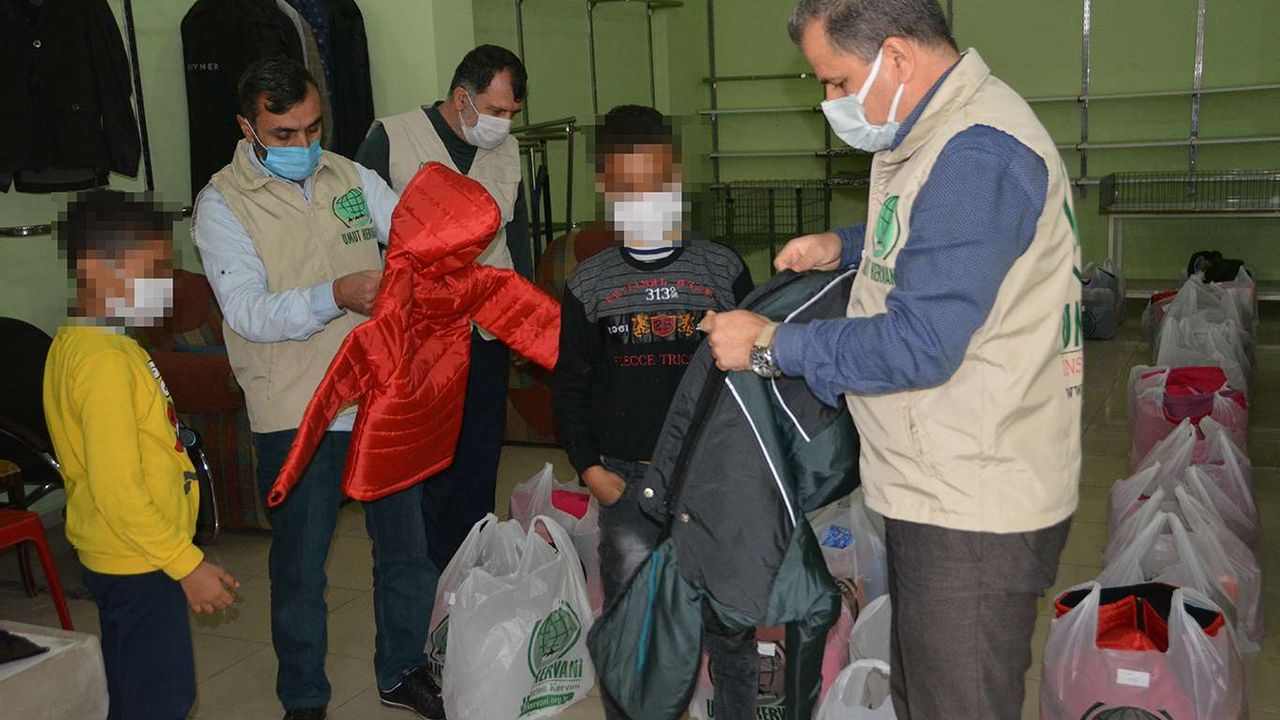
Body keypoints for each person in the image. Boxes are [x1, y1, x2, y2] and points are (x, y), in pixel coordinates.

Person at [701, 1, 1084, 718]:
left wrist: (770, 344)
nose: (830, 102)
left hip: (971, 503)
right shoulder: (946, 132)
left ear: (898, 58)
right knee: (927, 695)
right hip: (943, 482)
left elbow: (919, 343)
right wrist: (845, 245)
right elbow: (939, 233)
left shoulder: (975, 154)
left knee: (954, 704)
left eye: (838, 82)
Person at [192, 58, 440, 720]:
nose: (303, 145)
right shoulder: (222, 205)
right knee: (301, 567)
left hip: (379, 395)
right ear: (247, 127)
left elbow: (412, 236)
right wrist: (335, 295)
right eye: (284, 134)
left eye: (313, 128)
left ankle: (404, 671)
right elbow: (247, 311)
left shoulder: (349, 176)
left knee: (406, 551)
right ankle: (304, 698)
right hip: (297, 407)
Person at [552, 105, 757, 720]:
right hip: (627, 482)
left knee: (730, 628)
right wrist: (591, 470)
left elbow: (755, 375)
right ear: (604, 188)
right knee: (636, 633)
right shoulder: (588, 284)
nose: (645, 198)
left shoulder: (722, 270)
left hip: (713, 481)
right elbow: (571, 386)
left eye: (657, 182)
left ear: (677, 178)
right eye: (628, 186)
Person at [44, 191, 239, 720]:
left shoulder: (87, 342)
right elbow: (117, 489)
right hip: (140, 559)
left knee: (137, 690)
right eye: (151, 271)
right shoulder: (103, 362)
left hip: (128, 552)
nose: (164, 284)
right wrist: (186, 564)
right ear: (93, 268)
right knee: (162, 700)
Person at [355, 44, 533, 573]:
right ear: (461, 98)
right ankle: (429, 573)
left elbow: (516, 236)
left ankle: (472, 571)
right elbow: (361, 236)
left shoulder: (507, 150)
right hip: (421, 333)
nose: (503, 123)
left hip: (486, 328)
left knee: (479, 454)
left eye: (512, 113)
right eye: (495, 110)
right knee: (429, 459)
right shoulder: (391, 138)